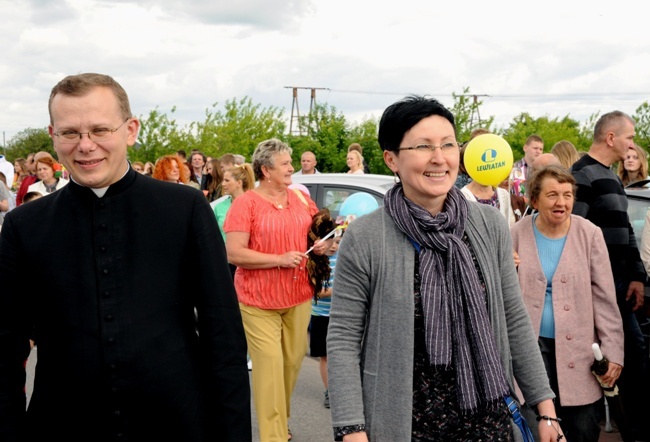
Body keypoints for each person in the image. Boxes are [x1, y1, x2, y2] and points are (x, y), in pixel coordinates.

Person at [0, 73, 251, 441]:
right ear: (53, 135)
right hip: (62, 427)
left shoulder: (184, 210)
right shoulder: (25, 225)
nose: (85, 145)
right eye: (70, 132)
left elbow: (223, 338)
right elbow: (6, 347)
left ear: (130, 130)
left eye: (100, 129)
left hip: (175, 425)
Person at [327, 95, 562, 442]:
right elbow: (344, 338)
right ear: (391, 158)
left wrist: (546, 411)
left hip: (486, 420)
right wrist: (352, 428)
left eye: (448, 144)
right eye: (423, 146)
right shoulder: (366, 236)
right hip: (404, 423)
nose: (439, 158)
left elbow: (513, 319)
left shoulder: (488, 224)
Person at [224, 138, 328, 442]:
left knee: (293, 362)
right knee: (269, 370)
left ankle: (281, 421)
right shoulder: (247, 204)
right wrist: (278, 260)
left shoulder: (300, 199)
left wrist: (323, 245)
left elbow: (316, 237)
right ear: (266, 170)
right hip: (257, 302)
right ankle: (275, 436)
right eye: (285, 163)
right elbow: (234, 253)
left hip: (298, 297)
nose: (291, 167)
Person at [511, 165, 624, 442]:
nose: (561, 202)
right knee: (536, 426)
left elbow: (605, 296)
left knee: (581, 428)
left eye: (566, 194)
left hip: (581, 351)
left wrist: (613, 351)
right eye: (552, 195)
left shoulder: (590, 233)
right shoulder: (515, 233)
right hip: (531, 347)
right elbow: (501, 294)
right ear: (535, 200)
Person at [571, 110, 649, 441]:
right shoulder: (580, 175)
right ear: (611, 137)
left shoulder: (612, 177)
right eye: (630, 137)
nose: (634, 144)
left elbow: (627, 230)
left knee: (634, 356)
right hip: (598, 289)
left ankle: (635, 429)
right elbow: (575, 236)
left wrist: (637, 276)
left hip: (620, 284)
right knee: (630, 356)